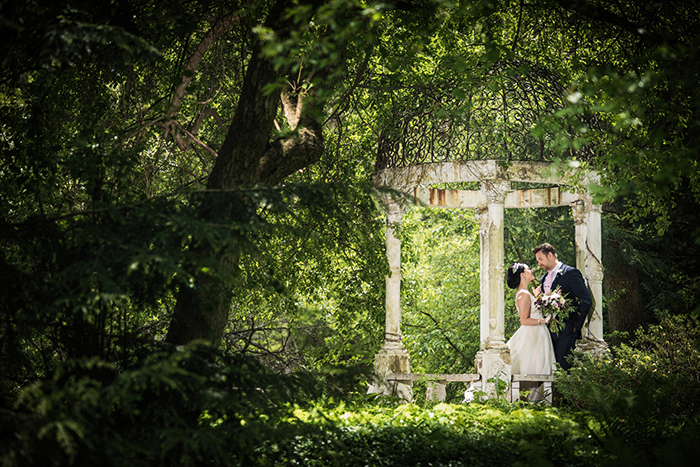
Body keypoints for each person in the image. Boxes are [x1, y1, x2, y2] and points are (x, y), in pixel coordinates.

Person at [532, 243, 592, 371]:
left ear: (550, 255)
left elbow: (585, 300)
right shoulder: (543, 279)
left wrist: (575, 326)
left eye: (540, 259)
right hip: (547, 332)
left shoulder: (570, 273)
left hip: (567, 330)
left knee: (564, 368)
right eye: (538, 261)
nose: (539, 264)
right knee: (549, 368)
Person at [506, 263, 556, 399]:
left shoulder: (526, 293)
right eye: (528, 269)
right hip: (532, 335)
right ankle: (532, 401)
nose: (531, 270)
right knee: (534, 368)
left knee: (539, 368)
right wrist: (544, 320)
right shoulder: (523, 294)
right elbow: (525, 320)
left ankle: (537, 401)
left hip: (538, 334)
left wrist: (538, 298)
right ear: (522, 275)